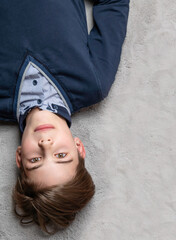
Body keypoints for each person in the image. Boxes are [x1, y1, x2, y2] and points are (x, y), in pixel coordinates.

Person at [0, 0, 129, 234]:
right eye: (61, 155)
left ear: (19, 157)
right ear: (79, 147)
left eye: (35, 161)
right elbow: (114, 3)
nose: (45, 145)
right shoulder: (92, 83)